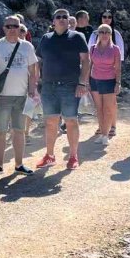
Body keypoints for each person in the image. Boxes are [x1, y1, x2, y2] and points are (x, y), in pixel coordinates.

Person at [35, 9, 90, 170]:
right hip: (48, 87)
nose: (61, 19)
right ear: (53, 21)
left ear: (68, 21)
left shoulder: (77, 37)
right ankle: (49, 156)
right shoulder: (46, 39)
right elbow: (38, 61)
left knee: (71, 121)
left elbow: (86, 61)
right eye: (58, 17)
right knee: (50, 122)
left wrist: (82, 83)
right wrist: (37, 80)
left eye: (64, 17)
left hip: (70, 87)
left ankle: (73, 156)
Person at [0, 16, 39, 177]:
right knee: (0, 131)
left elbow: (33, 70)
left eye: (15, 26)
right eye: (9, 26)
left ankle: (19, 164)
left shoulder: (27, 46)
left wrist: (31, 90)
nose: (12, 29)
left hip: (21, 97)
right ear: (4, 28)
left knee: (19, 131)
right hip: (2, 97)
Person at [88, 24, 121, 148]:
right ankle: (102, 133)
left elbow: (118, 68)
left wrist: (118, 83)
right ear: (98, 34)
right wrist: (86, 82)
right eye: (102, 32)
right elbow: (89, 65)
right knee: (99, 108)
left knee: (107, 109)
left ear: (110, 34)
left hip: (109, 80)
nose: (105, 34)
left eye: (107, 32)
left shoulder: (115, 49)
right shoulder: (92, 48)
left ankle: (106, 135)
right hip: (95, 80)